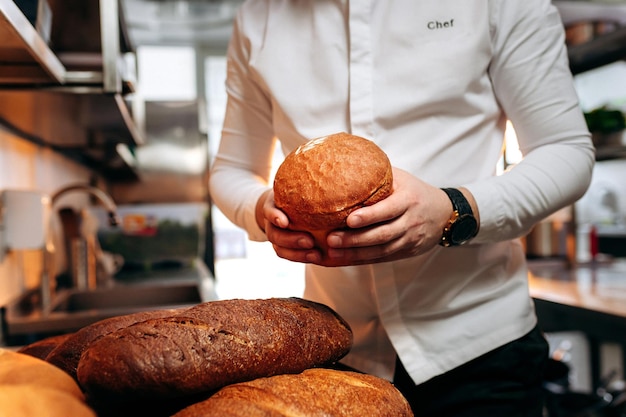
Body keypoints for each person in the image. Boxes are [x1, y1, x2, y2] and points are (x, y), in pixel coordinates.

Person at [208, 1, 595, 415]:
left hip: (481, 349)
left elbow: (566, 150)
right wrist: (263, 211)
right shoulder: (259, 15)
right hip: (337, 352)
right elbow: (231, 170)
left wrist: (454, 209)